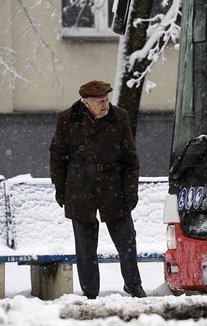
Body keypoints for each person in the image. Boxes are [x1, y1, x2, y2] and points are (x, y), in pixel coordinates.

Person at [49, 80, 146, 299]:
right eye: (100, 101)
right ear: (86, 102)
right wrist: (60, 188)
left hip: (113, 188)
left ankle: (134, 284)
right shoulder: (67, 119)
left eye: (107, 100)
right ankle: (90, 292)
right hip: (80, 188)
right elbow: (57, 155)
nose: (105, 105)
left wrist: (131, 191)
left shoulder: (119, 117)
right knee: (85, 248)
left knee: (127, 241)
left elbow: (131, 159)